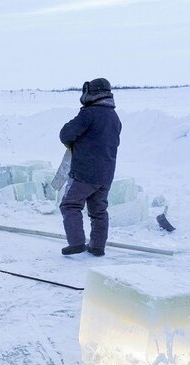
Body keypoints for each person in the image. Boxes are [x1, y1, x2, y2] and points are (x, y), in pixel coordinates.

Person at [59, 78, 122, 257]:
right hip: (106, 174)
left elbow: (66, 134)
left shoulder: (89, 113)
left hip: (85, 173)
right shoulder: (114, 117)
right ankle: (97, 247)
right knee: (98, 211)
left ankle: (77, 243)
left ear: (91, 93)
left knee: (70, 205)